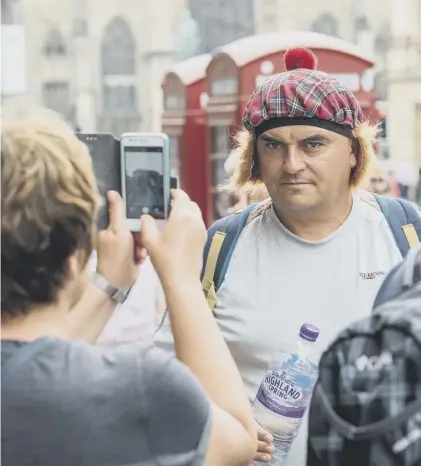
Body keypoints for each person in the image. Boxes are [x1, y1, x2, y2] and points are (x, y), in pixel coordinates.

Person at [154, 48, 421, 465]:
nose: (292, 163)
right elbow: (165, 379)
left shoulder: (407, 236)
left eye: (313, 143)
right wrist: (223, 420)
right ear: (255, 157)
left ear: (354, 151)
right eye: (274, 146)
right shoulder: (220, 247)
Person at [1, 108, 256, 466]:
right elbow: (238, 442)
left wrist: (110, 285)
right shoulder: (138, 388)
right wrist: (181, 279)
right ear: (75, 258)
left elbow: (30, 361)